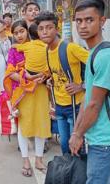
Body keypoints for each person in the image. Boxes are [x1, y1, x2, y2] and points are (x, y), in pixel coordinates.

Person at [69, 0, 110, 184]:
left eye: (89, 20)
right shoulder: (93, 53)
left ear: (102, 21)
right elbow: (87, 99)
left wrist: (78, 134)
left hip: (105, 140)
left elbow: (94, 105)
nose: (83, 26)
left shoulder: (106, 56)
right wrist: (76, 132)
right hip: (98, 137)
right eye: (79, 21)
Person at [4, 20, 51, 177]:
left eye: (21, 31)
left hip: (41, 90)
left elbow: (49, 68)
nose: (19, 35)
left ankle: (38, 160)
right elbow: (10, 72)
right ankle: (25, 160)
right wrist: (27, 79)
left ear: (28, 31)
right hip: (23, 92)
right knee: (24, 126)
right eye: (16, 33)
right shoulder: (14, 50)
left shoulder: (41, 46)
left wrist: (43, 77)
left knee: (41, 124)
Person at [37, 11, 88, 154]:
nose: (45, 32)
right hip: (59, 106)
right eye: (41, 29)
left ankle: (79, 175)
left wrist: (82, 86)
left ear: (57, 28)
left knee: (77, 148)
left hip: (75, 106)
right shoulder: (47, 50)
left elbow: (98, 64)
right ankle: (70, 174)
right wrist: (49, 80)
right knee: (65, 146)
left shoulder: (70, 48)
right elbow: (54, 71)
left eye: (49, 27)